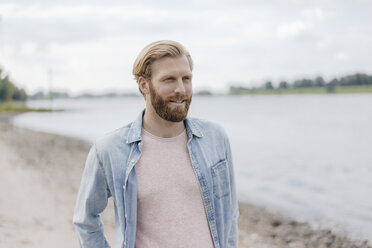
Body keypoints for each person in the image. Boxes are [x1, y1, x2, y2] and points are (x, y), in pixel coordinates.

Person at [73, 40, 239, 248]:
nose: (181, 88)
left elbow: (230, 214)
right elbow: (85, 219)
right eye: (169, 79)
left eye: (186, 78)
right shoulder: (110, 149)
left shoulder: (216, 138)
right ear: (144, 85)